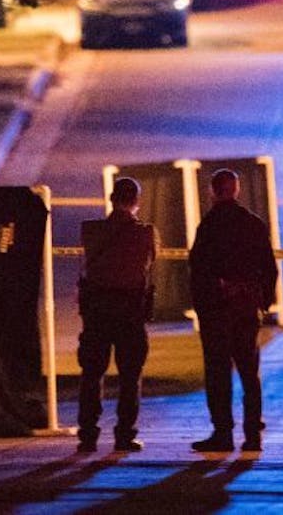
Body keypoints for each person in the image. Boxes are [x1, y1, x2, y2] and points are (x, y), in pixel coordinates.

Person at [189, 168, 278, 453]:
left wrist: (204, 305)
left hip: (217, 309)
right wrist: (262, 302)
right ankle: (253, 434)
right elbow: (269, 267)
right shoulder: (253, 223)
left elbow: (198, 269)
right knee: (249, 372)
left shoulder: (209, 226)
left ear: (212, 191)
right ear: (237, 190)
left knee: (218, 373)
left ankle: (222, 433)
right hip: (246, 308)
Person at [76, 177, 157, 453]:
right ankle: (124, 435)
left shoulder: (91, 231)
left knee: (91, 374)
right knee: (130, 376)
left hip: (97, 311)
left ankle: (87, 435)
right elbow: (149, 262)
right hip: (129, 311)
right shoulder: (145, 232)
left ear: (111, 199)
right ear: (136, 201)